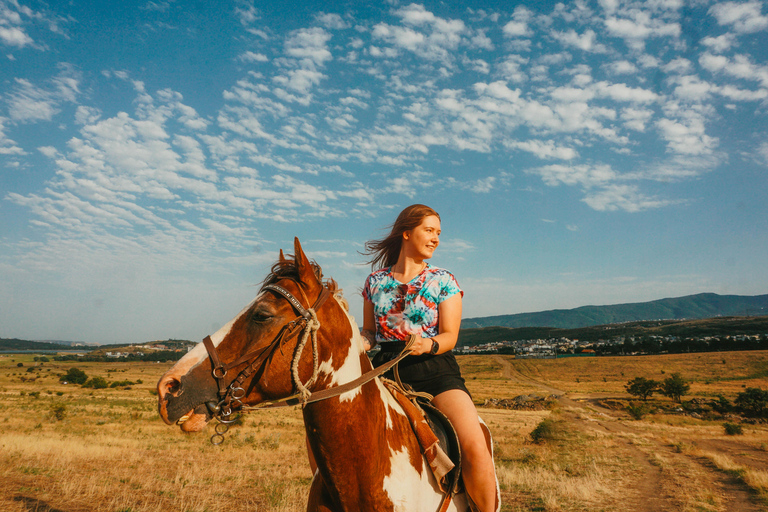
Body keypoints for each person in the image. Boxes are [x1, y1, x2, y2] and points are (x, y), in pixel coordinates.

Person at [361, 204, 497, 512]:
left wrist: (427, 345)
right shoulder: (375, 282)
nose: (435, 238)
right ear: (406, 233)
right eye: (429, 230)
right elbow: (371, 333)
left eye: (438, 233)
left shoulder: (444, 280)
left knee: (474, 447)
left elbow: (450, 336)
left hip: (435, 370)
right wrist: (361, 341)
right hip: (386, 371)